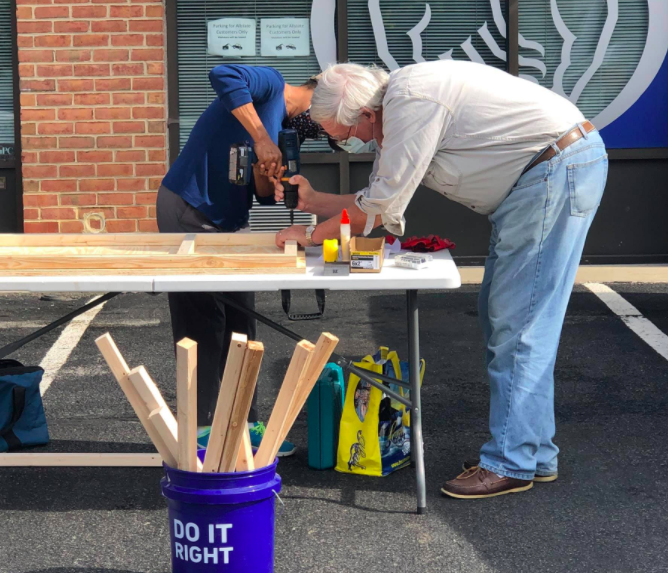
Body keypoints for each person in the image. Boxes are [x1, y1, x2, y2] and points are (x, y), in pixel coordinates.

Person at [273, 61, 608, 498]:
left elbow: (379, 207)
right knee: (509, 323)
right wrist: (316, 203)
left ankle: (512, 462)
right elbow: (374, 200)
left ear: (368, 113)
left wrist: (309, 235)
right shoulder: (400, 102)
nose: (352, 143)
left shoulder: (410, 104)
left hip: (550, 175)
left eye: (348, 134)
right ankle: (532, 452)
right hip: (544, 177)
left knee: (519, 328)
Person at [157, 64, 321, 455]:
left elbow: (261, 194)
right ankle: (201, 432)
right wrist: (262, 139)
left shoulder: (286, 126)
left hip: (230, 222)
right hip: (190, 207)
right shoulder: (270, 87)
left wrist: (271, 173)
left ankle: (245, 424)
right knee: (203, 322)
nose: (326, 129)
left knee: (241, 322)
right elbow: (222, 73)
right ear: (320, 93)